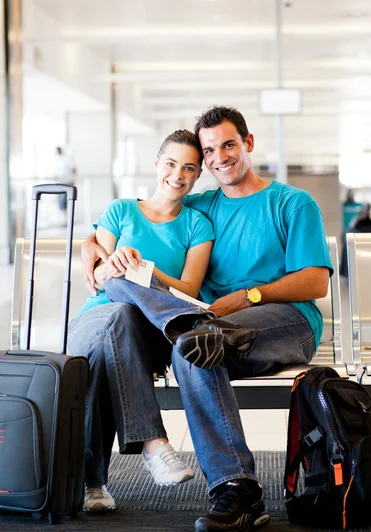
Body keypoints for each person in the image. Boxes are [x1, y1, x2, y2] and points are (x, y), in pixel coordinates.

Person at [82, 106, 332, 531]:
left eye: (229, 145)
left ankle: (190, 329)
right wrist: (93, 248)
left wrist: (250, 295)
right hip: (208, 325)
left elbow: (314, 282)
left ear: (248, 144)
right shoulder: (199, 207)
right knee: (192, 344)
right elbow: (127, 220)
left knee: (201, 337)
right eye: (210, 150)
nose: (219, 157)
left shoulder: (291, 202)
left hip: (284, 320)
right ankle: (237, 489)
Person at [68, 130, 215, 512]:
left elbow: (189, 288)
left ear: (197, 175)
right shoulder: (121, 211)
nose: (177, 175)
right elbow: (99, 277)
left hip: (150, 329)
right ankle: (153, 444)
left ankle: (92, 484)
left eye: (188, 168)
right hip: (98, 316)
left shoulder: (198, 225)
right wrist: (115, 265)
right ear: (156, 164)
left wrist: (144, 270)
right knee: (115, 316)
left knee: (113, 341)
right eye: (170, 164)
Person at [54, 146, 77, 214]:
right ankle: (65, 218)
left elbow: (74, 170)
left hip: (68, 183)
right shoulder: (57, 160)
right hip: (60, 183)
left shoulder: (67, 159)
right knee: (62, 202)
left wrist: (73, 179)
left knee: (69, 201)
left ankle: (67, 219)